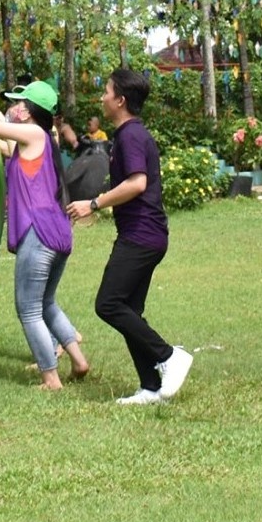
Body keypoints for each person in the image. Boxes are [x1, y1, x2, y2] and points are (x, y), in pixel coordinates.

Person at [65, 68, 192, 405]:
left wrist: (94, 203)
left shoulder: (132, 136)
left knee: (108, 304)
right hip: (144, 233)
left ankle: (170, 356)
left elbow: (137, 183)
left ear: (120, 100)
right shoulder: (126, 135)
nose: (102, 97)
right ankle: (150, 387)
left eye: (106, 91)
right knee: (130, 309)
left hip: (141, 235)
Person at [0, 79, 91, 390]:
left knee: (28, 308)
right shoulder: (40, 140)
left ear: (28, 111)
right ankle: (78, 361)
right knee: (46, 302)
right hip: (57, 232)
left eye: (18, 104)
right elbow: (4, 146)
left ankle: (50, 378)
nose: (13, 108)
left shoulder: (34, 133)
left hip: (39, 233)